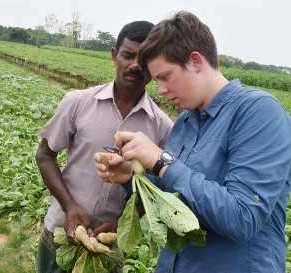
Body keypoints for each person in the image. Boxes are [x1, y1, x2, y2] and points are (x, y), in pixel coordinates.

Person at [94, 11, 291, 273]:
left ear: (196, 61)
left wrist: (162, 160)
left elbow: (243, 218)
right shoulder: (185, 123)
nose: (160, 89)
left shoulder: (259, 112)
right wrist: (129, 178)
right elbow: (170, 203)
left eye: (165, 77)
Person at [35, 20, 173, 273]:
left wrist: (124, 222)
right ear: (114, 55)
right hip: (60, 232)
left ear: (154, 66)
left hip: (108, 249)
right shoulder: (77, 102)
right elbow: (45, 155)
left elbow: (154, 192)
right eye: (128, 55)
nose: (135, 65)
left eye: (144, 60)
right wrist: (70, 207)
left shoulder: (162, 126)